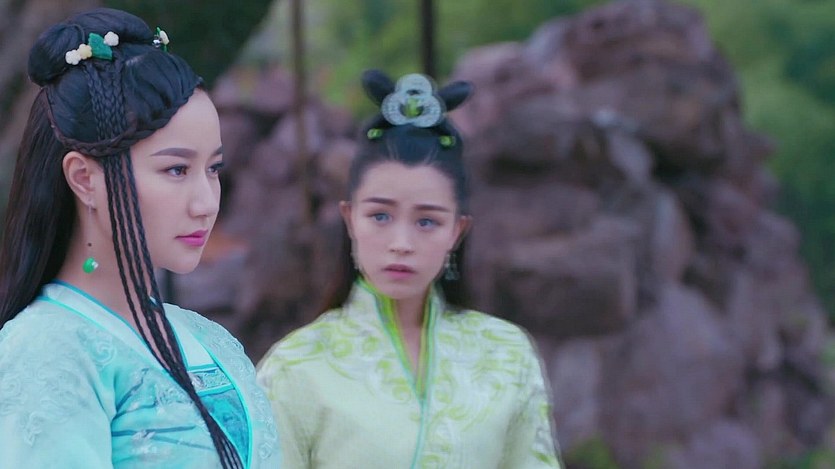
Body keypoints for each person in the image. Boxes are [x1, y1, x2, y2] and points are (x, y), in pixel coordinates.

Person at [0, 8, 279, 468]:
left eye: (213, 169)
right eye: (176, 169)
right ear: (84, 178)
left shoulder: (208, 340)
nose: (206, 202)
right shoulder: (48, 349)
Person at [257, 69, 562, 468]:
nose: (401, 242)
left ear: (457, 231)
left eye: (427, 221)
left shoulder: (508, 353)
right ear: (350, 219)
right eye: (380, 216)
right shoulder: (294, 366)